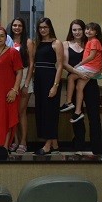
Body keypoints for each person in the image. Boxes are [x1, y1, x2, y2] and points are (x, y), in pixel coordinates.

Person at [62, 22, 102, 123]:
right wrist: (80, 73)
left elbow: (101, 66)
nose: (77, 32)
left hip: (90, 78)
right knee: (78, 88)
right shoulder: (66, 43)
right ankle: (77, 112)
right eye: (74, 30)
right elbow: (64, 64)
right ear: (71, 31)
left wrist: (93, 74)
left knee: (94, 114)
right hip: (79, 76)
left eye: (80, 29)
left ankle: (68, 102)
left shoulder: (91, 42)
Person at [33, 18, 63, 156]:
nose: (42, 29)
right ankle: (55, 143)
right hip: (39, 79)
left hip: (50, 79)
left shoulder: (56, 43)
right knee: (42, 111)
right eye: (40, 27)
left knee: (50, 112)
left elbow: (60, 65)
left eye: (45, 27)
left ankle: (47, 145)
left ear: (50, 28)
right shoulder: (37, 43)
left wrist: (55, 85)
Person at [8, 17, 35, 153]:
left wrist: (26, 83)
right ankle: (15, 140)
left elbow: (31, 64)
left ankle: (23, 141)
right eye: (14, 25)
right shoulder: (7, 41)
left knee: (21, 111)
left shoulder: (28, 42)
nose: (17, 28)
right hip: (10, 78)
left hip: (24, 76)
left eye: (19, 25)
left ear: (23, 28)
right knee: (12, 112)